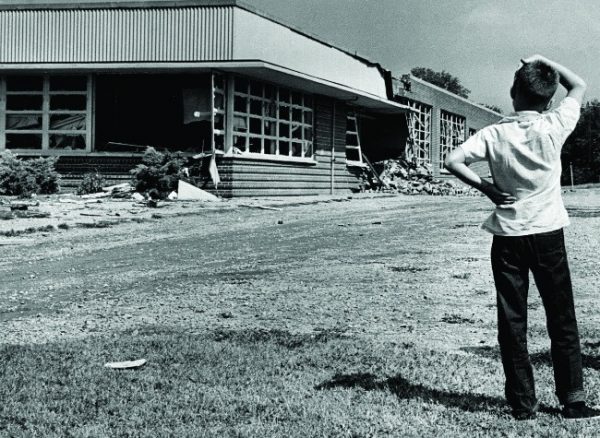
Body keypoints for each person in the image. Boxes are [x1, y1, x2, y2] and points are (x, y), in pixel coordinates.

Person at [444, 55, 599, 420]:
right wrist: (544, 60)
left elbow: (452, 161)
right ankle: (573, 400)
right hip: (547, 235)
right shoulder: (554, 123)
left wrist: (490, 190)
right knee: (561, 318)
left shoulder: (493, 133)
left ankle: (523, 405)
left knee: (513, 322)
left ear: (513, 94)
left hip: (509, 236)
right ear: (547, 100)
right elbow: (578, 85)